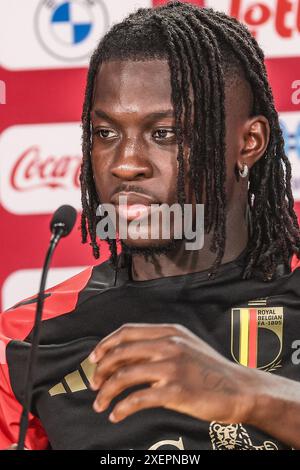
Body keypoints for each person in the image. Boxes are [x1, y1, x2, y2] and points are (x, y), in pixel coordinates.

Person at [1, 1, 300, 451]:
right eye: (106, 134)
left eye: (165, 134)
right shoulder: (26, 337)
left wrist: (251, 396)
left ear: (249, 142)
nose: (125, 164)